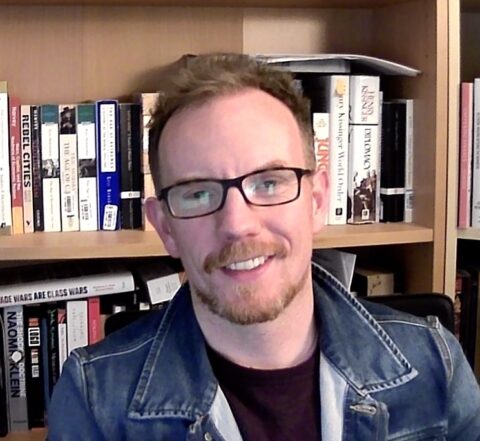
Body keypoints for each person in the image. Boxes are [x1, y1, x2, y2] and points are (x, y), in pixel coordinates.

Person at [48, 53, 480, 440]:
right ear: (165, 228)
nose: (237, 224)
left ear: (316, 202)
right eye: (197, 193)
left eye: (269, 183)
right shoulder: (95, 402)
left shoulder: (436, 366)